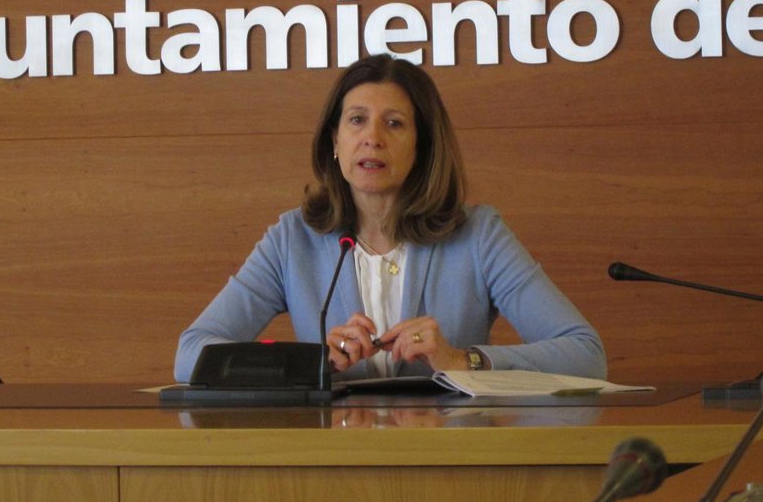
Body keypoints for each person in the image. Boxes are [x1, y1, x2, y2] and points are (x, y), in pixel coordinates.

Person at [174, 54, 606, 383]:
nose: (372, 138)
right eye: (357, 120)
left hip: (452, 459)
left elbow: (585, 354)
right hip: (330, 461)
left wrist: (464, 360)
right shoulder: (292, 240)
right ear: (335, 141)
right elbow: (191, 354)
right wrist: (314, 364)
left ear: (422, 147)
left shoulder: (478, 235)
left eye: (394, 124)